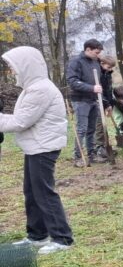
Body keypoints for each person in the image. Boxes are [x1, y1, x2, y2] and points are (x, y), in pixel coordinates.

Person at [0, 47, 74, 254]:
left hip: (43, 146)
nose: (12, 72)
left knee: (43, 192)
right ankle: (37, 236)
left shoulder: (40, 89)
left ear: (25, 66)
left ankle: (62, 238)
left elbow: (21, 121)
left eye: (14, 67)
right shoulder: (32, 87)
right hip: (35, 146)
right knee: (32, 192)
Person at [66, 38, 103, 167]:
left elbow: (98, 81)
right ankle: (78, 157)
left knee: (91, 129)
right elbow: (72, 81)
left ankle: (91, 155)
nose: (98, 55)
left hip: (93, 100)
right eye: (96, 52)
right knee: (82, 129)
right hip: (81, 100)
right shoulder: (76, 62)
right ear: (88, 49)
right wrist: (91, 88)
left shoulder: (95, 62)